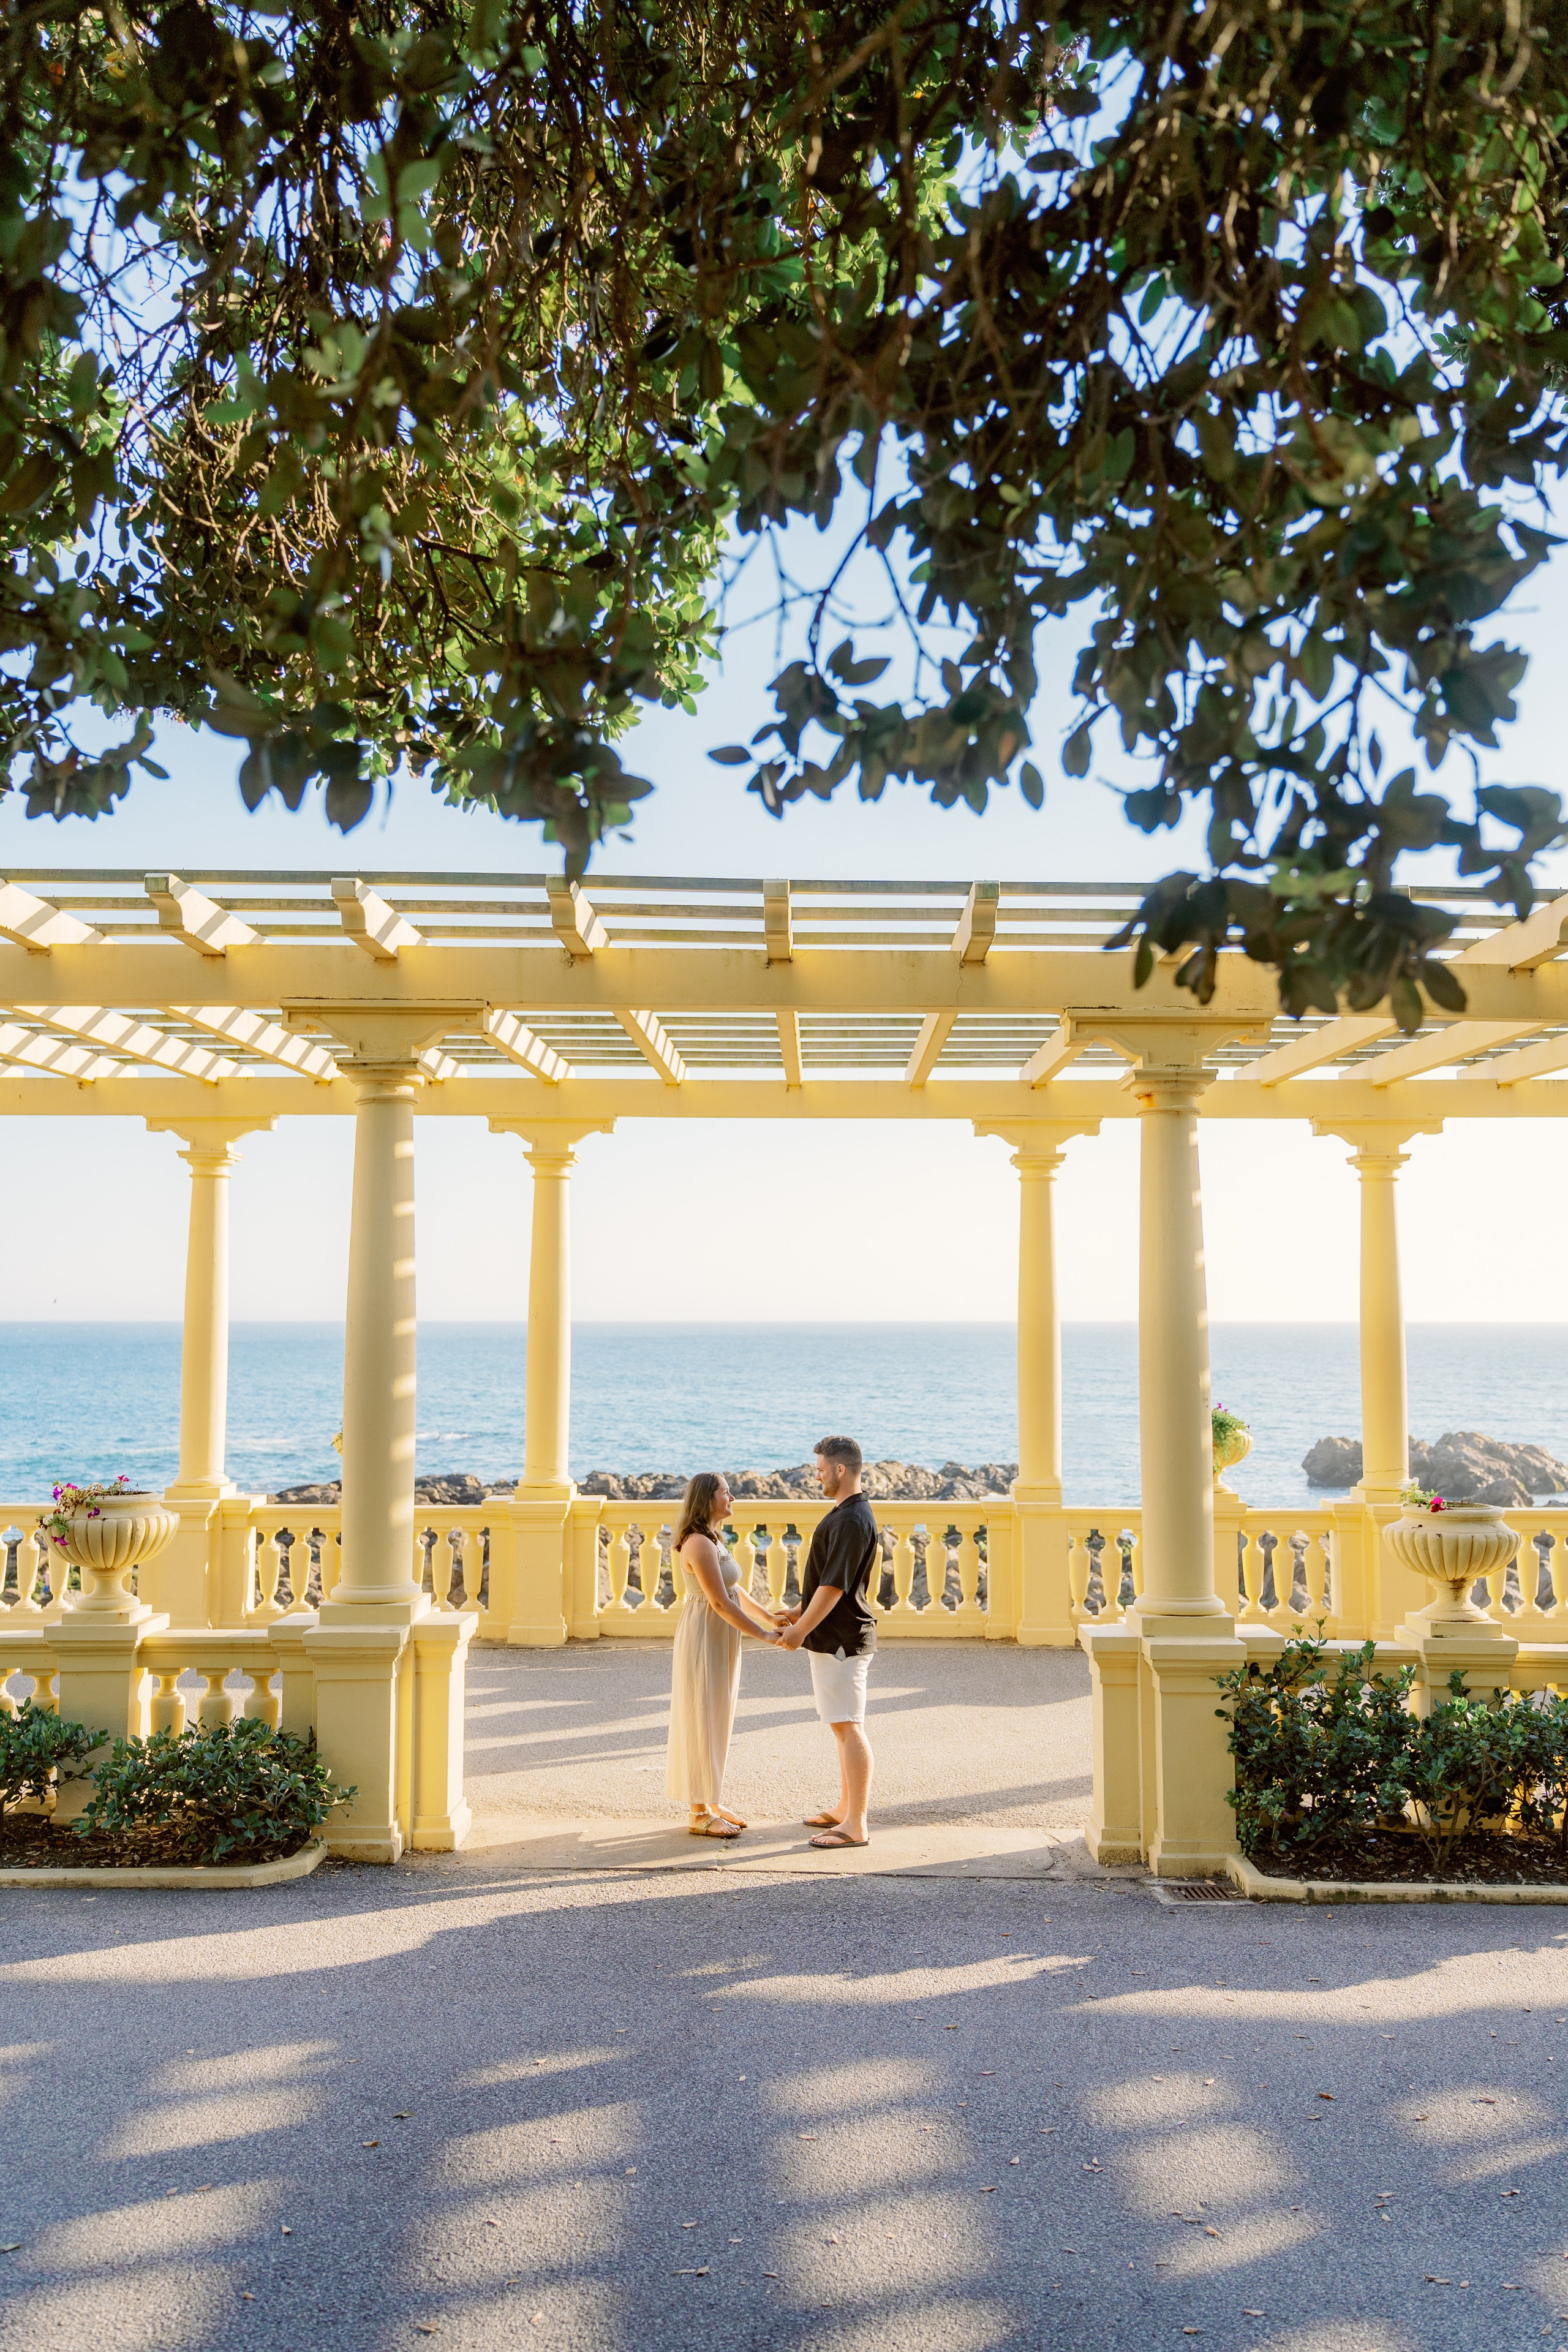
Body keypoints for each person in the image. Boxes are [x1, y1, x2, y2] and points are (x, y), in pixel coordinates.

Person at [774, 1434, 878, 1849]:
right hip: (834, 1636)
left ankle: (856, 1825)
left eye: (820, 1470)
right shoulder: (845, 1513)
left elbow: (835, 1587)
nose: (816, 1477)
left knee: (849, 1726)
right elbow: (830, 1581)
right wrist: (799, 1612)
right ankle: (844, 1809)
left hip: (842, 1640)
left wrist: (800, 1631)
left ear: (840, 1469)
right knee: (841, 1726)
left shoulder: (852, 1519)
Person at [666, 1470, 782, 1839]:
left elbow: (734, 1590)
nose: (732, 1498)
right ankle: (698, 1813)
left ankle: (711, 1800)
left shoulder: (714, 1538)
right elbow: (717, 1602)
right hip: (705, 1635)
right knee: (702, 1718)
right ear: (708, 1499)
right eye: (726, 1492)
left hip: (720, 1635)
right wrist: (763, 1634)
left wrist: (770, 1617)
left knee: (717, 1717)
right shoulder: (699, 1543)